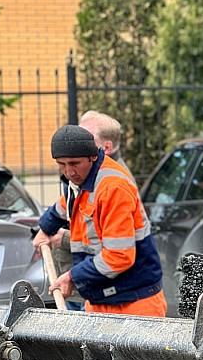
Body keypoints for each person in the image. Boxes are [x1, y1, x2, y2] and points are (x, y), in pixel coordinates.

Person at [33, 124, 166, 317]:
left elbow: (119, 256)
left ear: (93, 156)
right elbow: (66, 203)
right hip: (101, 298)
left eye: (74, 163)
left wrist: (72, 276)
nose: (68, 172)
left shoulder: (113, 188)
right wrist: (46, 228)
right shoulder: (81, 180)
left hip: (134, 302)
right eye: (62, 164)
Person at [51, 111, 132, 309]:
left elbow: (107, 243)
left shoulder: (114, 184)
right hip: (77, 282)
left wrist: (63, 238)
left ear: (106, 147)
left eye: (88, 136)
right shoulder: (83, 177)